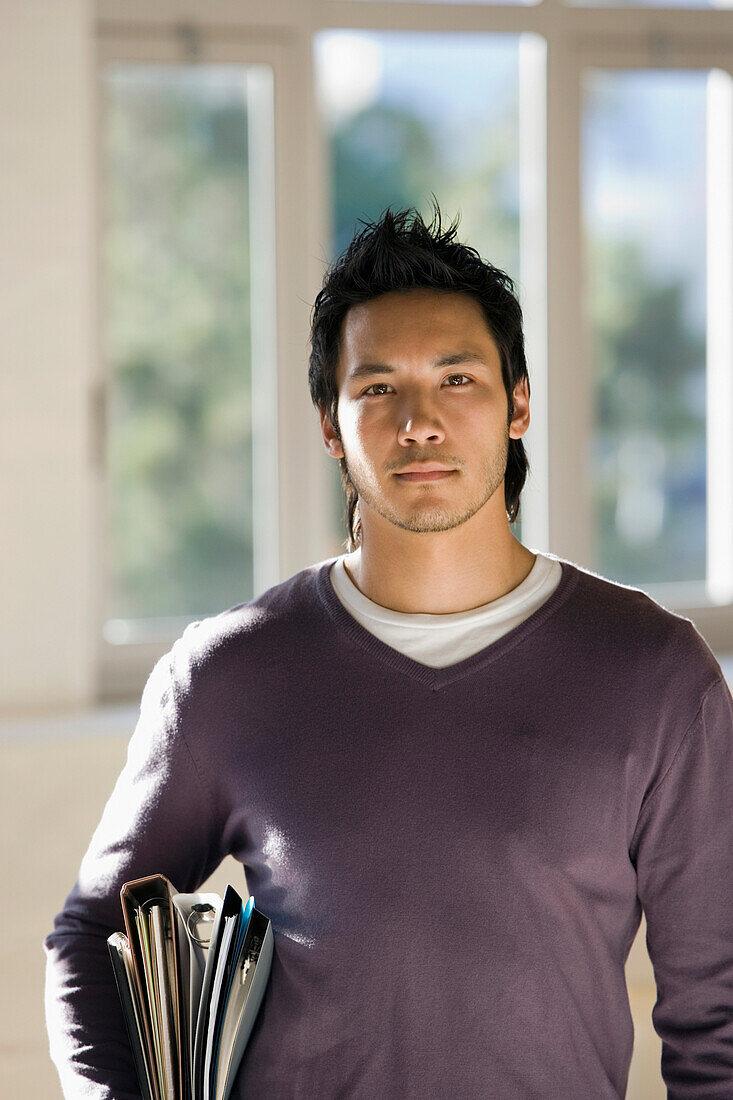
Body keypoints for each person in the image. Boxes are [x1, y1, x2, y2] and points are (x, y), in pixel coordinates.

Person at [44, 201, 733, 1099]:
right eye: (377, 389)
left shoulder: (654, 675)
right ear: (331, 426)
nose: (418, 421)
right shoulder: (228, 676)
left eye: (457, 380)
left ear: (517, 403)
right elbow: (93, 931)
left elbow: (716, 1010)